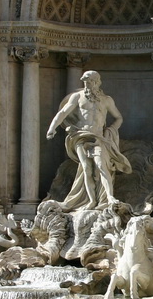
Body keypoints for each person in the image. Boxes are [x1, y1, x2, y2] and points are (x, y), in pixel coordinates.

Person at [47, 70, 131, 211]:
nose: (87, 84)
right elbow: (63, 112)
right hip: (81, 136)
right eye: (85, 81)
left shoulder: (106, 100)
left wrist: (111, 130)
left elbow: (119, 118)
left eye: (90, 81)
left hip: (98, 138)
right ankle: (92, 201)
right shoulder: (77, 97)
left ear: (97, 82)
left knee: (101, 165)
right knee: (86, 168)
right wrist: (52, 128)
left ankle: (109, 197)